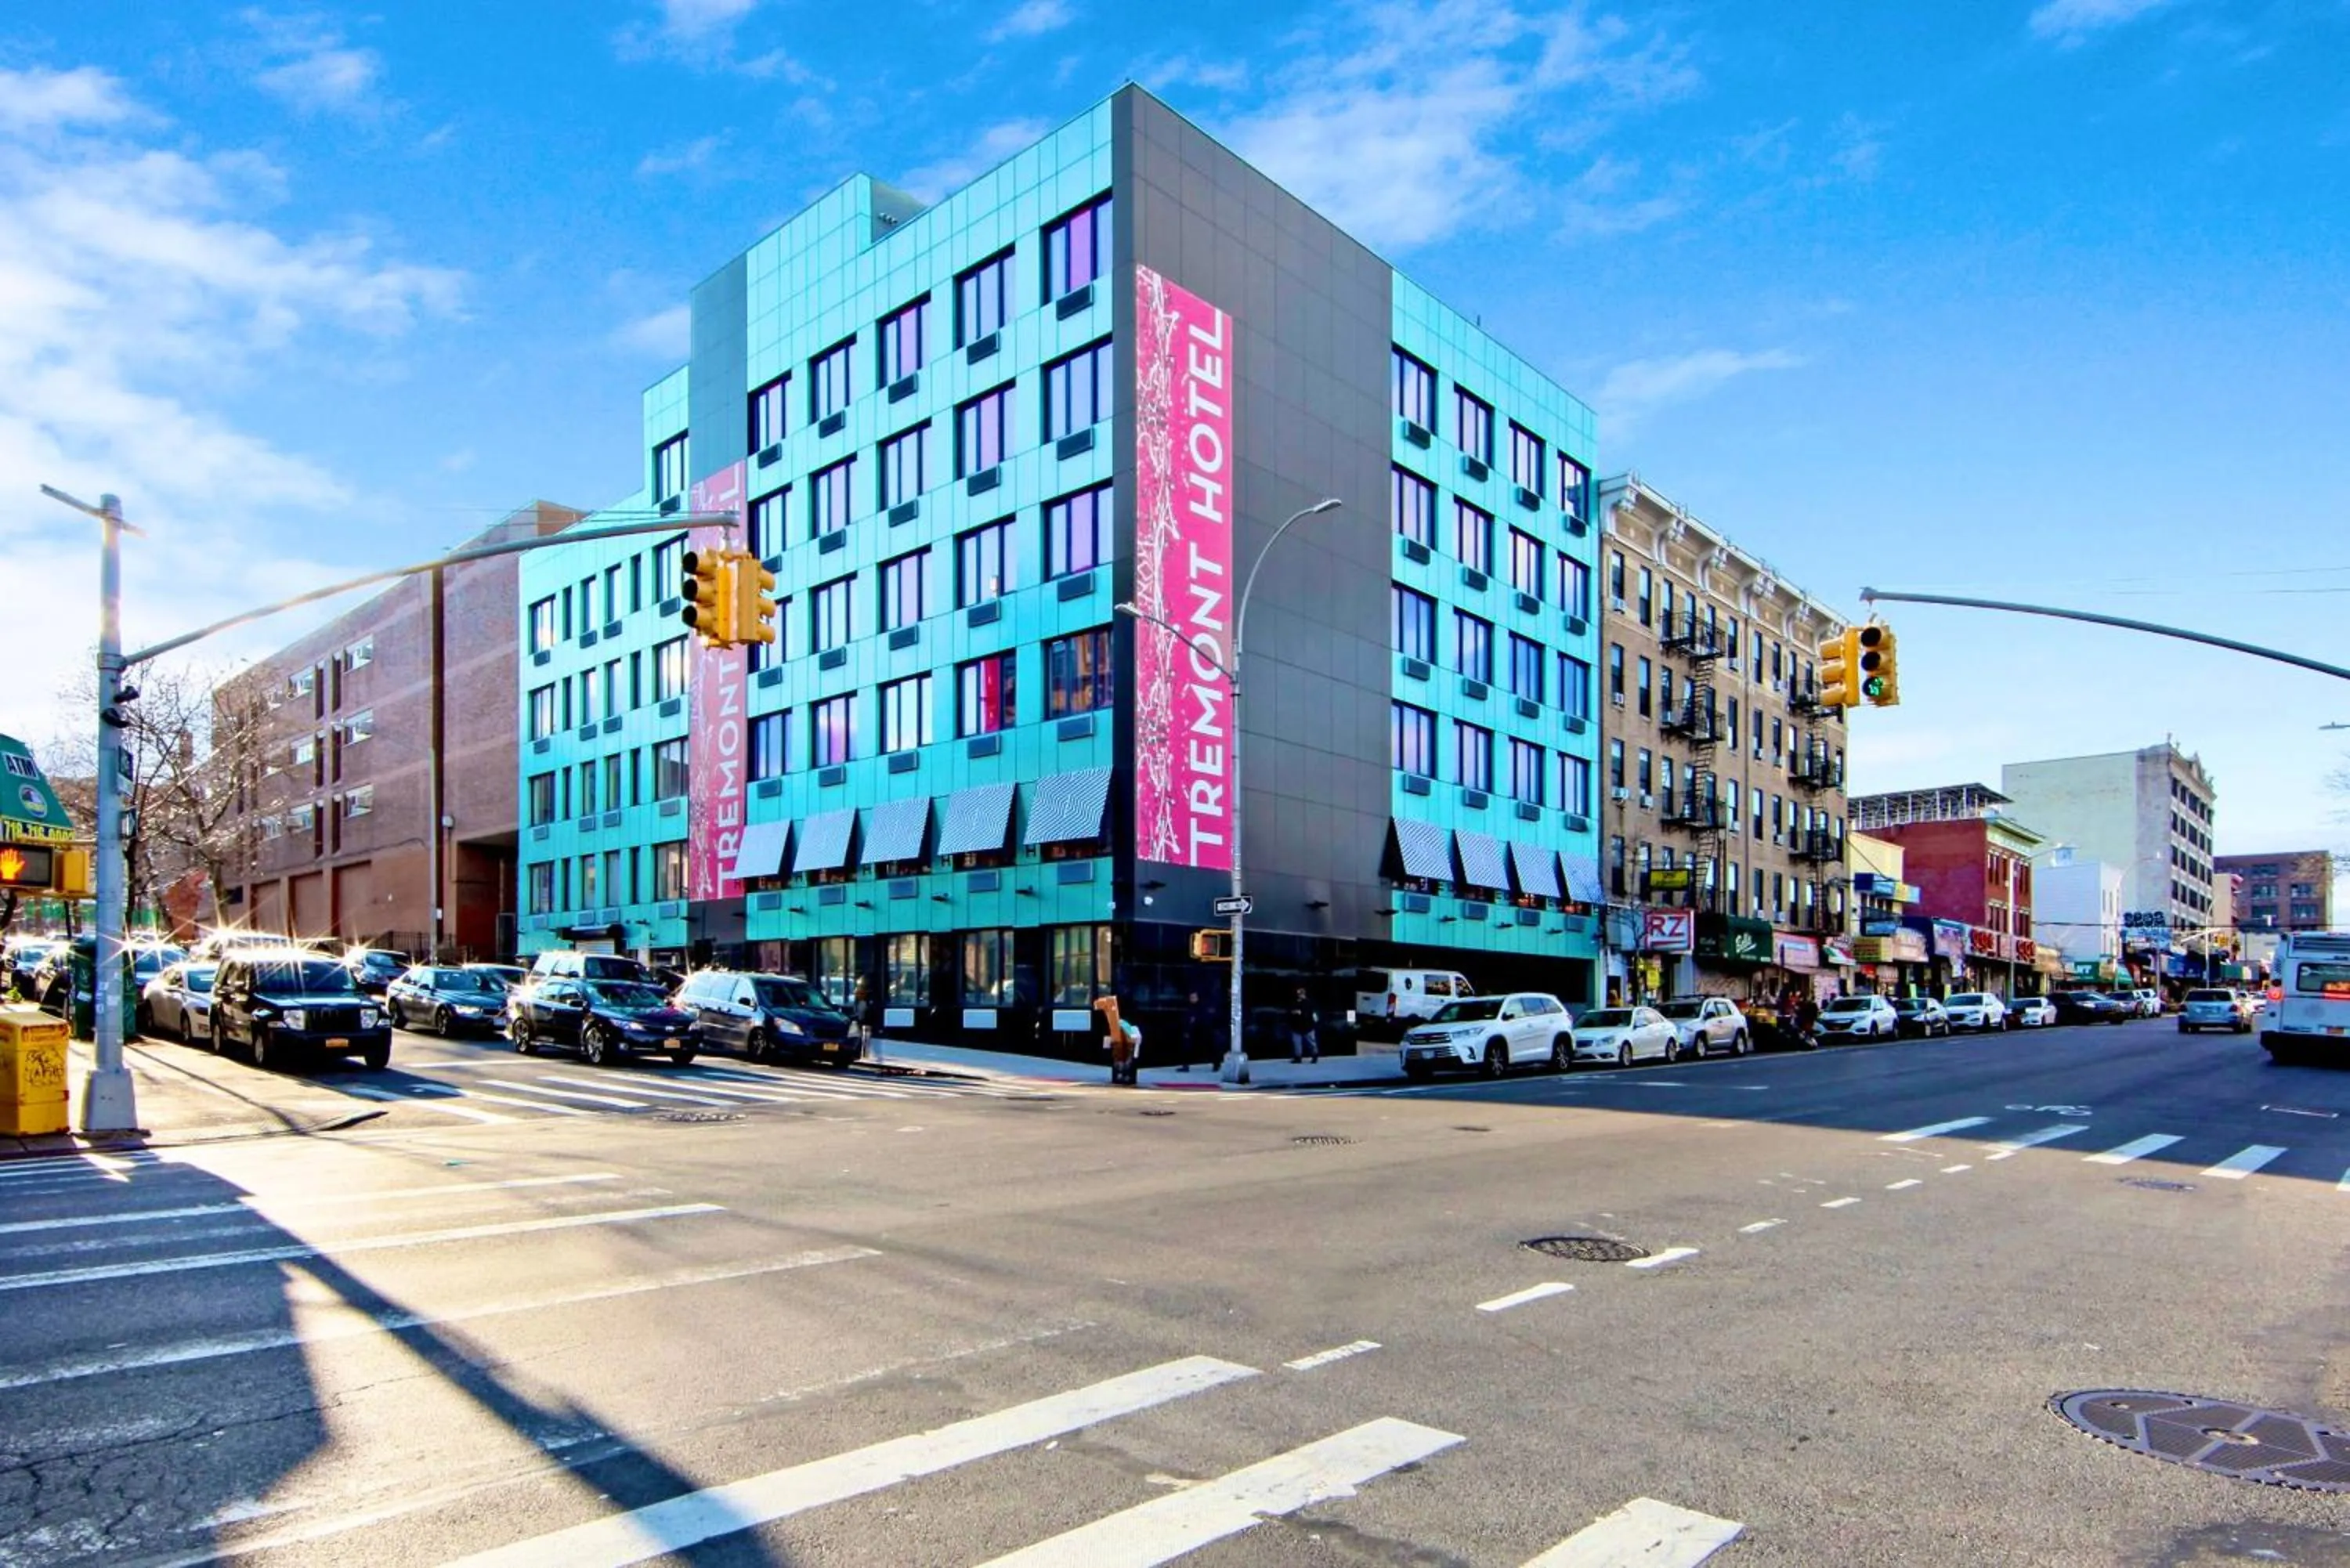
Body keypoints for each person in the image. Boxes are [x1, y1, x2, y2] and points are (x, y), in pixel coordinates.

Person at [1180, 989, 1217, 1072]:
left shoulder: (1202, 1008)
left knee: (1209, 1048)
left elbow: (1204, 1019)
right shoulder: (1189, 1007)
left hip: (1203, 1031)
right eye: (1191, 998)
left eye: (1194, 997)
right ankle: (1185, 1066)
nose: (1192, 999)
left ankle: (1216, 1064)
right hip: (1192, 1032)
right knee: (1186, 1048)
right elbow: (1186, 1020)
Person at [1287, 986, 1319, 1064]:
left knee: (1311, 1043)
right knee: (1297, 1043)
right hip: (1297, 1027)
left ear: (1304, 994)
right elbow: (1291, 1012)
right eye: (1298, 994)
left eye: (1300, 994)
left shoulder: (1309, 1003)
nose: (1299, 995)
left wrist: (1300, 1012)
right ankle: (1298, 1057)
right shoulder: (1295, 1002)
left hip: (1308, 1027)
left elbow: (1310, 1014)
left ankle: (1314, 1056)